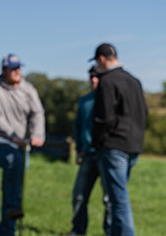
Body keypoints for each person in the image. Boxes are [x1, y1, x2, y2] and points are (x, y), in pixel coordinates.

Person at [0, 53, 45, 236]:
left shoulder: (28, 89)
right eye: (13, 68)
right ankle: (13, 209)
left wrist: (37, 134)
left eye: (19, 67)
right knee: (13, 162)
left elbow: (37, 113)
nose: (18, 71)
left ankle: (8, 230)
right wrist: (12, 135)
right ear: (4, 70)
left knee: (13, 180)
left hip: (19, 145)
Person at [90, 43, 147, 236]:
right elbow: (144, 113)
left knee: (119, 199)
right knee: (117, 197)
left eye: (97, 62)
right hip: (135, 145)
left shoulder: (107, 81)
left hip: (114, 145)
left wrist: (96, 142)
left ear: (102, 59)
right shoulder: (135, 81)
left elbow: (104, 118)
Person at [69, 66, 110, 235]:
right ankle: (78, 230)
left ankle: (110, 231)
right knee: (78, 195)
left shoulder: (109, 99)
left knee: (109, 199)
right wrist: (79, 149)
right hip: (87, 154)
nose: (94, 80)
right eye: (91, 77)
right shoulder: (84, 101)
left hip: (106, 154)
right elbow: (78, 126)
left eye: (97, 77)